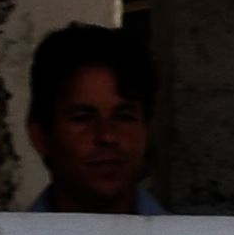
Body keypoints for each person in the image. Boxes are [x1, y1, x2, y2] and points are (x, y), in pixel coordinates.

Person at [26, 23, 166, 215]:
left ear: (147, 129)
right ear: (40, 134)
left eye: (124, 117)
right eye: (82, 118)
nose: (107, 136)